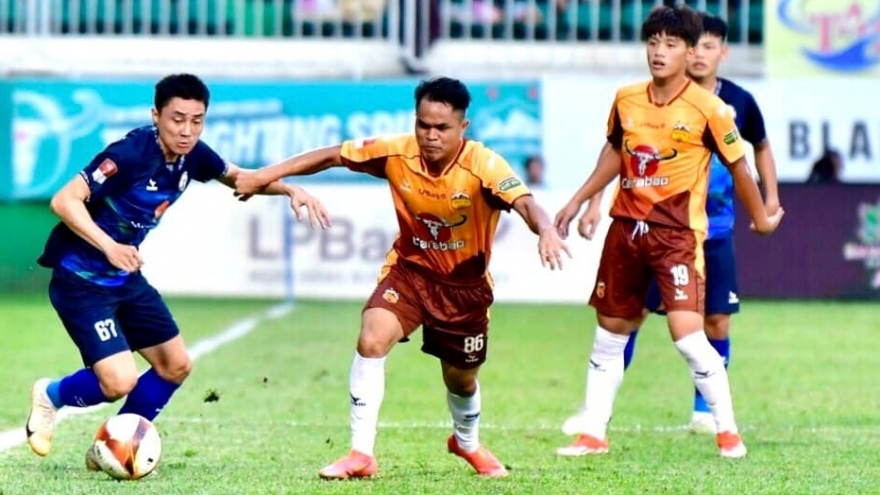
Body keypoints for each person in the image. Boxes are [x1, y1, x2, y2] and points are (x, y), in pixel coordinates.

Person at [235, 76, 570, 479]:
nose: (430, 135)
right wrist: (263, 175)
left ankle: (466, 442)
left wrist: (546, 230)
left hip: (464, 288)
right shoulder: (397, 152)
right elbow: (332, 155)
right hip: (409, 272)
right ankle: (361, 454)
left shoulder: (484, 165)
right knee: (371, 339)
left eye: (441, 127)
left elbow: (526, 204)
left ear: (463, 126)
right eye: (423, 124)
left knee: (461, 381)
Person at [26, 74, 330, 468]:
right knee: (119, 381)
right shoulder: (129, 154)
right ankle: (50, 395)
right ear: (156, 115)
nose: (187, 130)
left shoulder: (194, 155)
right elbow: (65, 200)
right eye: (177, 119)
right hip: (81, 280)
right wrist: (110, 246)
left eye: (197, 120)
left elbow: (241, 179)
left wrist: (288, 188)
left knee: (175, 366)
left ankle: (114, 446)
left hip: (124, 278)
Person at [552, 5, 783, 459]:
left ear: (689, 51)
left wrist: (760, 217)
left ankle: (727, 430)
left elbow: (741, 166)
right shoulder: (626, 99)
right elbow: (616, 153)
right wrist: (581, 199)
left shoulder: (711, 109)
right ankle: (593, 433)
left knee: (688, 335)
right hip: (625, 230)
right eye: (653, 42)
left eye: (670, 44)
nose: (659, 52)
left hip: (676, 235)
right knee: (611, 330)